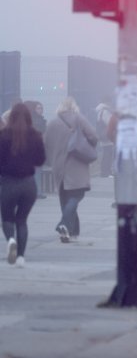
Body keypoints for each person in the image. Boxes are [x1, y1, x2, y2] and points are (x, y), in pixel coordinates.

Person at [43, 96, 98, 243]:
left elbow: (46, 144)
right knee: (76, 196)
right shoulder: (79, 118)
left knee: (65, 199)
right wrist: (88, 144)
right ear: (74, 106)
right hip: (76, 164)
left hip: (58, 166)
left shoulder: (52, 123)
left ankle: (70, 233)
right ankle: (63, 225)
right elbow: (94, 136)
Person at [0, 103, 46, 267]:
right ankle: (20, 257)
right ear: (29, 116)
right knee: (22, 220)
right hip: (28, 185)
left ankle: (11, 240)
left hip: (8, 183)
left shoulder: (3, 135)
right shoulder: (36, 135)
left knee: (7, 218)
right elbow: (41, 160)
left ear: (11, 116)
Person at [24, 101, 47, 199]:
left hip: (32, 149)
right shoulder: (37, 121)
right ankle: (38, 192)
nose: (40, 110)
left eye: (41, 108)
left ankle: (34, 191)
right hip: (35, 149)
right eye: (38, 108)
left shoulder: (36, 120)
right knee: (37, 171)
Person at [95, 98, 115, 178]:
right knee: (108, 155)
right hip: (107, 136)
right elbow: (109, 122)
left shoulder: (100, 111)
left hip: (103, 136)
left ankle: (105, 172)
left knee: (106, 154)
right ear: (107, 102)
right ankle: (106, 172)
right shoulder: (105, 111)